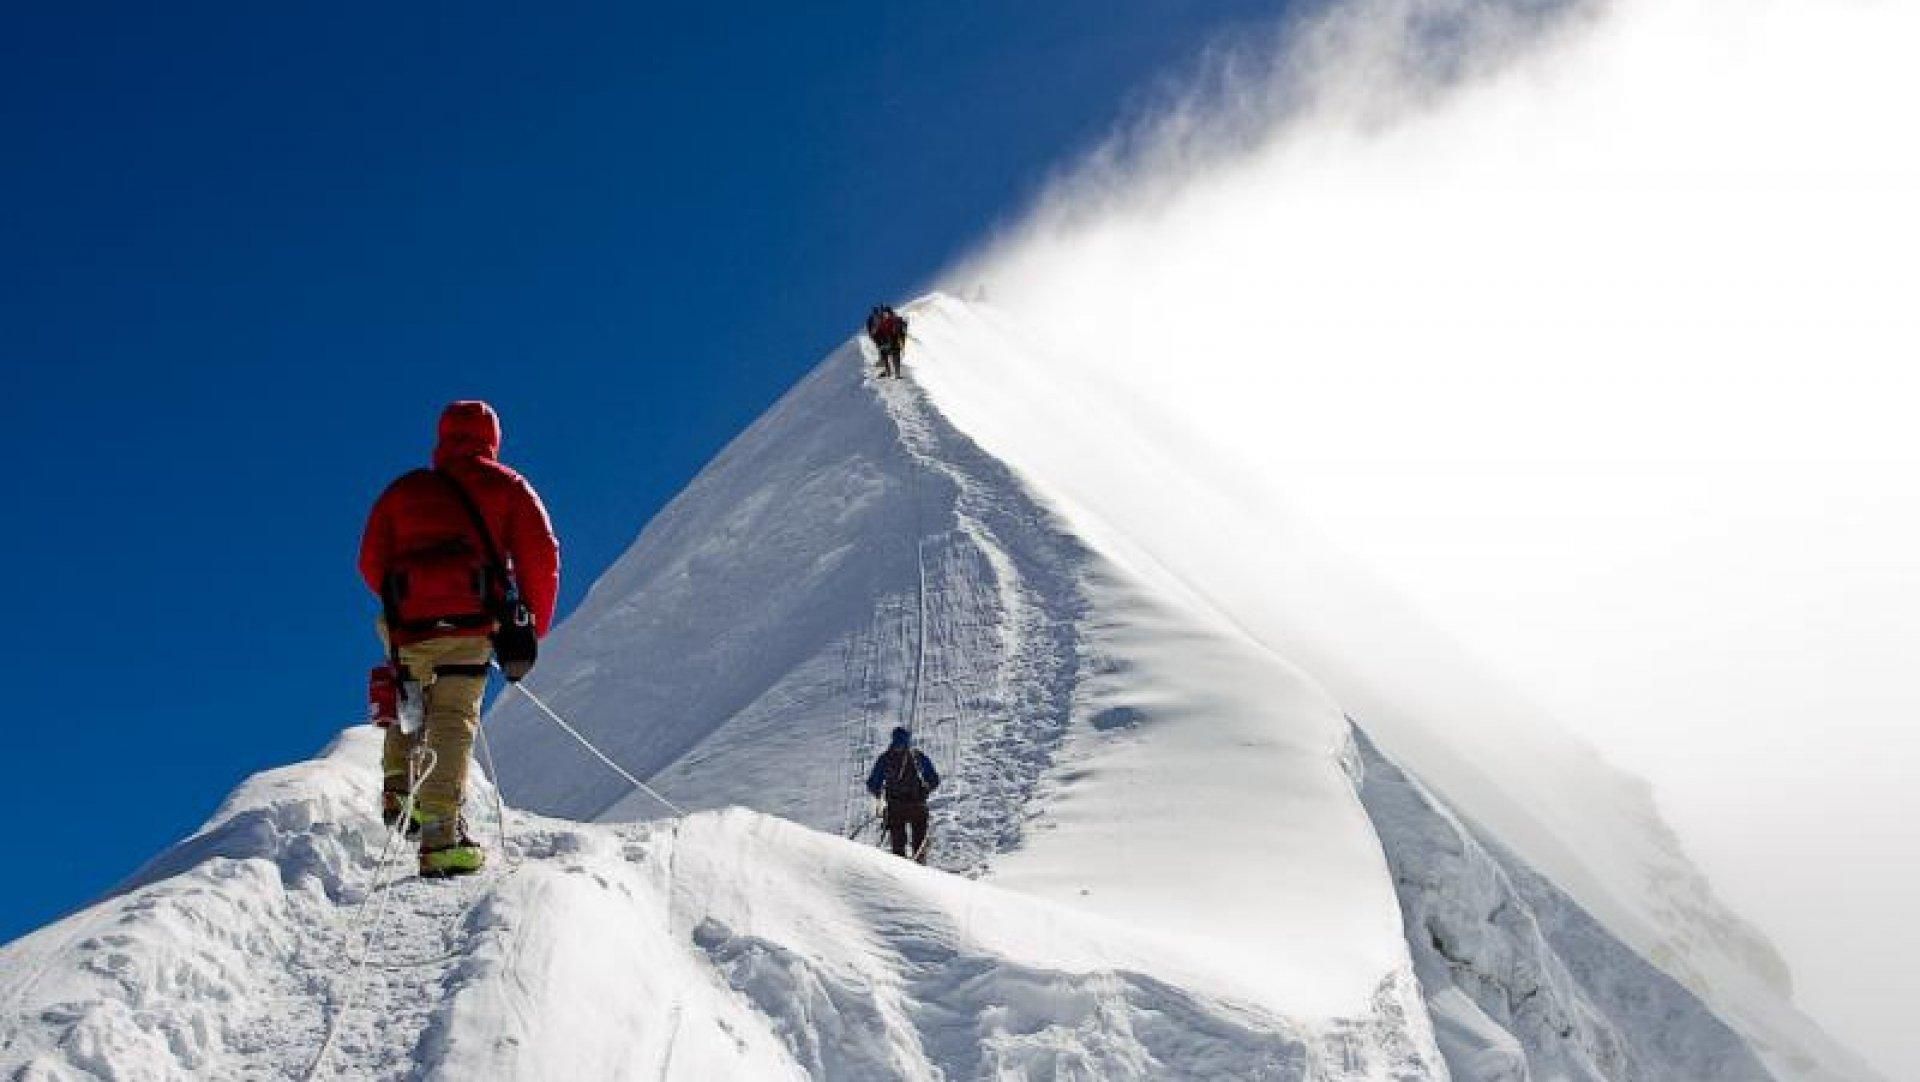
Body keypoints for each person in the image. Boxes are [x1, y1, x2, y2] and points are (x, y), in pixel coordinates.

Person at [359, 400, 560, 877]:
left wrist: (406, 599)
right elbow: (541, 555)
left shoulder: (404, 491)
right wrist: (530, 629)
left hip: (408, 624)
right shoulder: (507, 486)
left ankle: (399, 788)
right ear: (492, 438)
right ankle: (441, 838)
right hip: (471, 623)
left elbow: (370, 561)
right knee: (452, 715)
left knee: (408, 699)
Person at [865, 726, 940, 863]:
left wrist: (879, 794)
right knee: (919, 844)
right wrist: (926, 789)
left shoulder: (885, 759)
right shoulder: (918, 757)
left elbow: (872, 783)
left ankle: (900, 874)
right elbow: (934, 779)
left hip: (895, 807)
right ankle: (920, 870)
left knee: (898, 847)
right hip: (917, 806)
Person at [865, 305, 909, 379]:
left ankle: (889, 371)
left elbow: (877, 332)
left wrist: (876, 338)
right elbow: (903, 326)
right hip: (893, 341)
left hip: (889, 341)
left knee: (887, 354)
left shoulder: (885, 321)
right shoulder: (894, 319)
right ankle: (895, 373)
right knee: (894, 355)